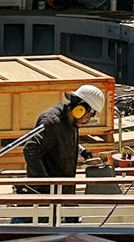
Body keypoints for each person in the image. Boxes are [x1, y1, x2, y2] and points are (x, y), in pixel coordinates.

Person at [19, 85, 106, 222]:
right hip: (47, 197)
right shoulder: (52, 121)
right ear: (80, 109)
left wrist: (83, 152)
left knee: (70, 225)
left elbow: (61, 140)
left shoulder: (70, 121)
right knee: (38, 229)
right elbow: (30, 149)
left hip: (64, 191)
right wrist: (44, 185)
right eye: (90, 115)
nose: (88, 120)